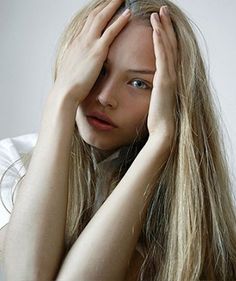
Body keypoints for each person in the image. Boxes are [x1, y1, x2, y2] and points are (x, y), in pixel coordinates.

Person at [0, 0, 236, 280]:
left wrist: (160, 142)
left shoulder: (183, 212)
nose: (105, 97)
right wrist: (61, 99)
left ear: (174, 99)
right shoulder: (13, 161)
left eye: (139, 83)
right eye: (98, 68)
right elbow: (28, 275)